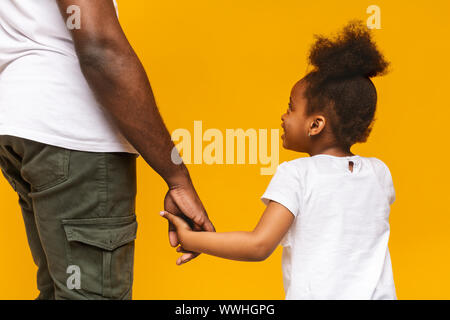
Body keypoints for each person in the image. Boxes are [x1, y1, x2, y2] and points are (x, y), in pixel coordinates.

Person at [161, 20, 396, 300]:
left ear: (315, 125)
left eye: (290, 108)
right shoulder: (379, 174)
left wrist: (190, 239)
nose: (283, 117)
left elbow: (259, 245)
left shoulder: (298, 174)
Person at [0, 0, 214, 300]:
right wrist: (176, 175)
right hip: (72, 132)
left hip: (21, 126)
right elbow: (100, 48)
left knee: (59, 291)